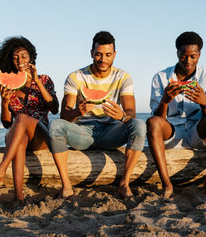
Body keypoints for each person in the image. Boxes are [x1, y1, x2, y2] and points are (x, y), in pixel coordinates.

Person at [48, 31, 146, 199]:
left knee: (139, 125)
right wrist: (77, 111)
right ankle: (66, 186)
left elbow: (131, 113)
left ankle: (124, 183)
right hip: (82, 134)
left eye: (108, 55)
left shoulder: (123, 77)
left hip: (111, 133)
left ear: (114, 55)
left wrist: (122, 116)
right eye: (99, 54)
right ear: (91, 53)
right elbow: (64, 116)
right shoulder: (76, 77)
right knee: (55, 126)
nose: (103, 59)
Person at [0, 37, 59, 205]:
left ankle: (1, 169)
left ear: (31, 57)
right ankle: (19, 197)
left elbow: (54, 108)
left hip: (39, 134)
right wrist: (4, 102)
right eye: (15, 58)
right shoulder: (9, 84)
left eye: (24, 56)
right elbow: (7, 123)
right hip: (17, 135)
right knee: (20, 138)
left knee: (22, 117)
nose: (20, 61)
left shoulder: (44, 79)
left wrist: (36, 80)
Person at [147, 31, 206, 200]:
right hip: (171, 132)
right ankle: (167, 185)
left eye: (193, 56)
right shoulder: (160, 78)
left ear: (199, 55)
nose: (188, 61)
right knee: (152, 122)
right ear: (177, 53)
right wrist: (165, 101)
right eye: (183, 56)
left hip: (196, 133)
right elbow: (158, 119)